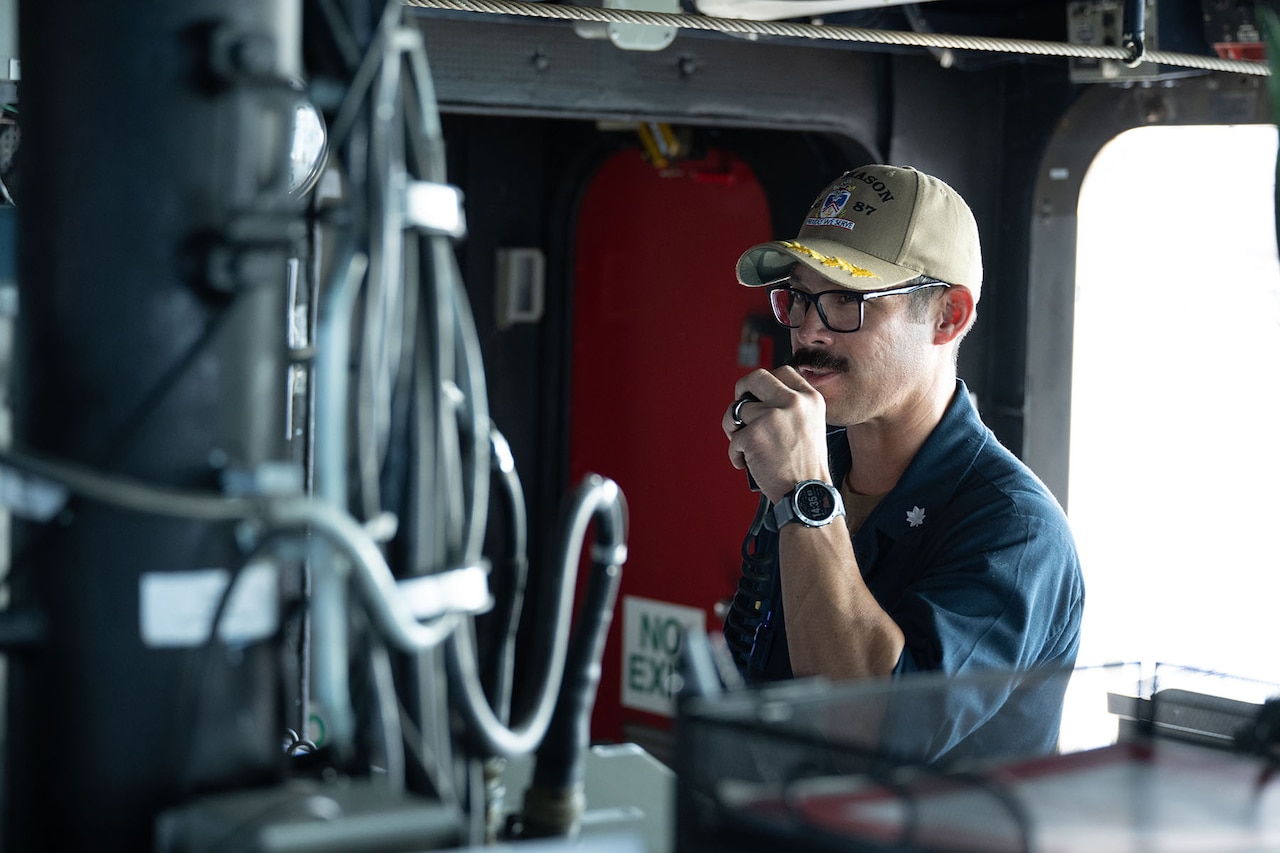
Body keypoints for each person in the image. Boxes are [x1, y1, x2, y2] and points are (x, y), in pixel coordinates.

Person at [720, 164, 1084, 760]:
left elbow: (871, 731)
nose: (810, 328)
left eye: (845, 298)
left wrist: (803, 495)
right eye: (800, 297)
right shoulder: (820, 467)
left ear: (949, 317)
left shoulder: (1017, 531)